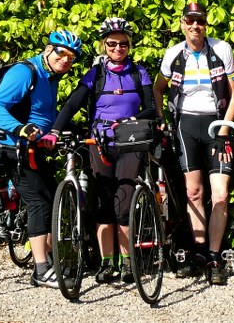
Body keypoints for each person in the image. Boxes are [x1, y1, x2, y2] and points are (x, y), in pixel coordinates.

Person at [41, 18, 156, 284]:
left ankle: (128, 263)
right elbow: (71, 105)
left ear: (130, 46)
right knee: (103, 204)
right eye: (113, 43)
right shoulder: (95, 74)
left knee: (124, 203)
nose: (118, 48)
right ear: (104, 45)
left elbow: (151, 108)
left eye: (123, 44)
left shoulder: (139, 73)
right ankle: (107, 263)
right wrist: (55, 131)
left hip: (129, 143)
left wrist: (129, 121)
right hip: (99, 143)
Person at [152, 2, 234, 285]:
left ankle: (214, 255)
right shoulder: (173, 53)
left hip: (216, 124)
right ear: (182, 24)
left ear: (205, 24)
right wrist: (160, 117)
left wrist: (225, 128)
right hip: (186, 125)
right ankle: (200, 252)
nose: (195, 26)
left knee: (221, 195)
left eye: (199, 21)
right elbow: (158, 87)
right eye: (190, 21)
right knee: (193, 193)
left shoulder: (222, 49)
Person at [0, 30, 82, 288]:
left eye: (72, 58)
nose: (66, 60)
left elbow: (43, 113)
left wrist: (58, 131)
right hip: (10, 146)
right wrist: (20, 128)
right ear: (49, 50)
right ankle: (40, 270)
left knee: (50, 197)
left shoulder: (51, 77)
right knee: (39, 202)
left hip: (32, 147)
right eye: (62, 53)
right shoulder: (25, 72)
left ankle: (48, 260)